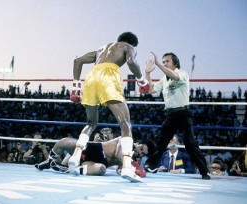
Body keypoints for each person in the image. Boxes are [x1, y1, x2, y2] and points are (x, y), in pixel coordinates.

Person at [68, 32, 150, 182]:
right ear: (133, 43)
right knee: (125, 124)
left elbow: (77, 61)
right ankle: (126, 166)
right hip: (108, 77)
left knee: (91, 123)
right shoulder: (127, 46)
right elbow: (131, 62)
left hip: (91, 77)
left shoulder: (101, 49)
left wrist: (76, 87)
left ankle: (75, 156)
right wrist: (142, 80)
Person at [143, 52, 210, 180]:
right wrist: (148, 73)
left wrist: (157, 64)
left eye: (166, 61)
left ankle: (204, 171)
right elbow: (151, 90)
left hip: (183, 113)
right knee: (161, 142)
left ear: (175, 63)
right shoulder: (164, 80)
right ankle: (152, 165)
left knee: (190, 144)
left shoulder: (182, 73)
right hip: (170, 115)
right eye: (162, 62)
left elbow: (174, 75)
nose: (164, 64)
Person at [34, 136, 146, 180]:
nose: (139, 151)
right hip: (92, 148)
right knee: (64, 142)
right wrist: (131, 166)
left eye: (142, 153)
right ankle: (50, 160)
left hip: (95, 162)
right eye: (141, 148)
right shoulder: (126, 139)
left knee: (101, 169)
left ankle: (70, 169)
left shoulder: (129, 159)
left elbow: (119, 170)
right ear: (138, 143)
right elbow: (118, 154)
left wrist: (127, 168)